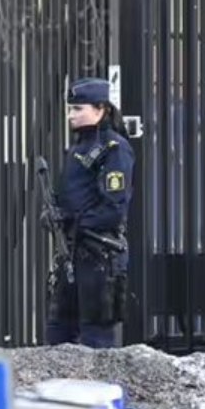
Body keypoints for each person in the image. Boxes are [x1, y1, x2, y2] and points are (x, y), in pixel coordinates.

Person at [42, 77, 134, 348]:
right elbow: (71, 194)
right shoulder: (77, 148)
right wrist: (53, 214)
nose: (71, 115)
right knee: (58, 332)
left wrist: (74, 221)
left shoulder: (113, 148)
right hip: (72, 251)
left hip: (99, 255)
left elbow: (114, 208)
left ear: (100, 108)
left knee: (96, 339)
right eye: (70, 109)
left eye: (78, 109)